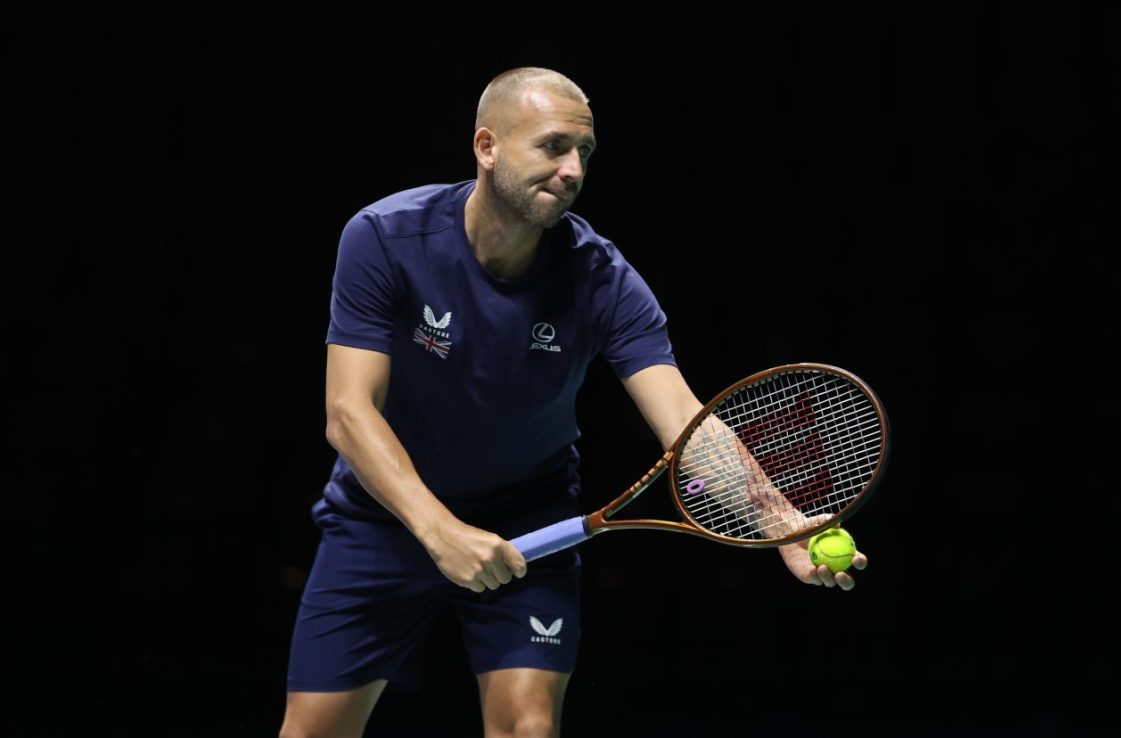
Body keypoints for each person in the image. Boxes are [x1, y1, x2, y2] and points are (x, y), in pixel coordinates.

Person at [279, 66, 868, 738]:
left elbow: (682, 418)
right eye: (553, 146)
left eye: (584, 153)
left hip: (529, 518)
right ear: (487, 146)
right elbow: (349, 411)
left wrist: (781, 522)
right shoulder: (384, 237)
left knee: (528, 728)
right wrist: (440, 531)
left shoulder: (603, 278)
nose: (572, 170)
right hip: (385, 517)